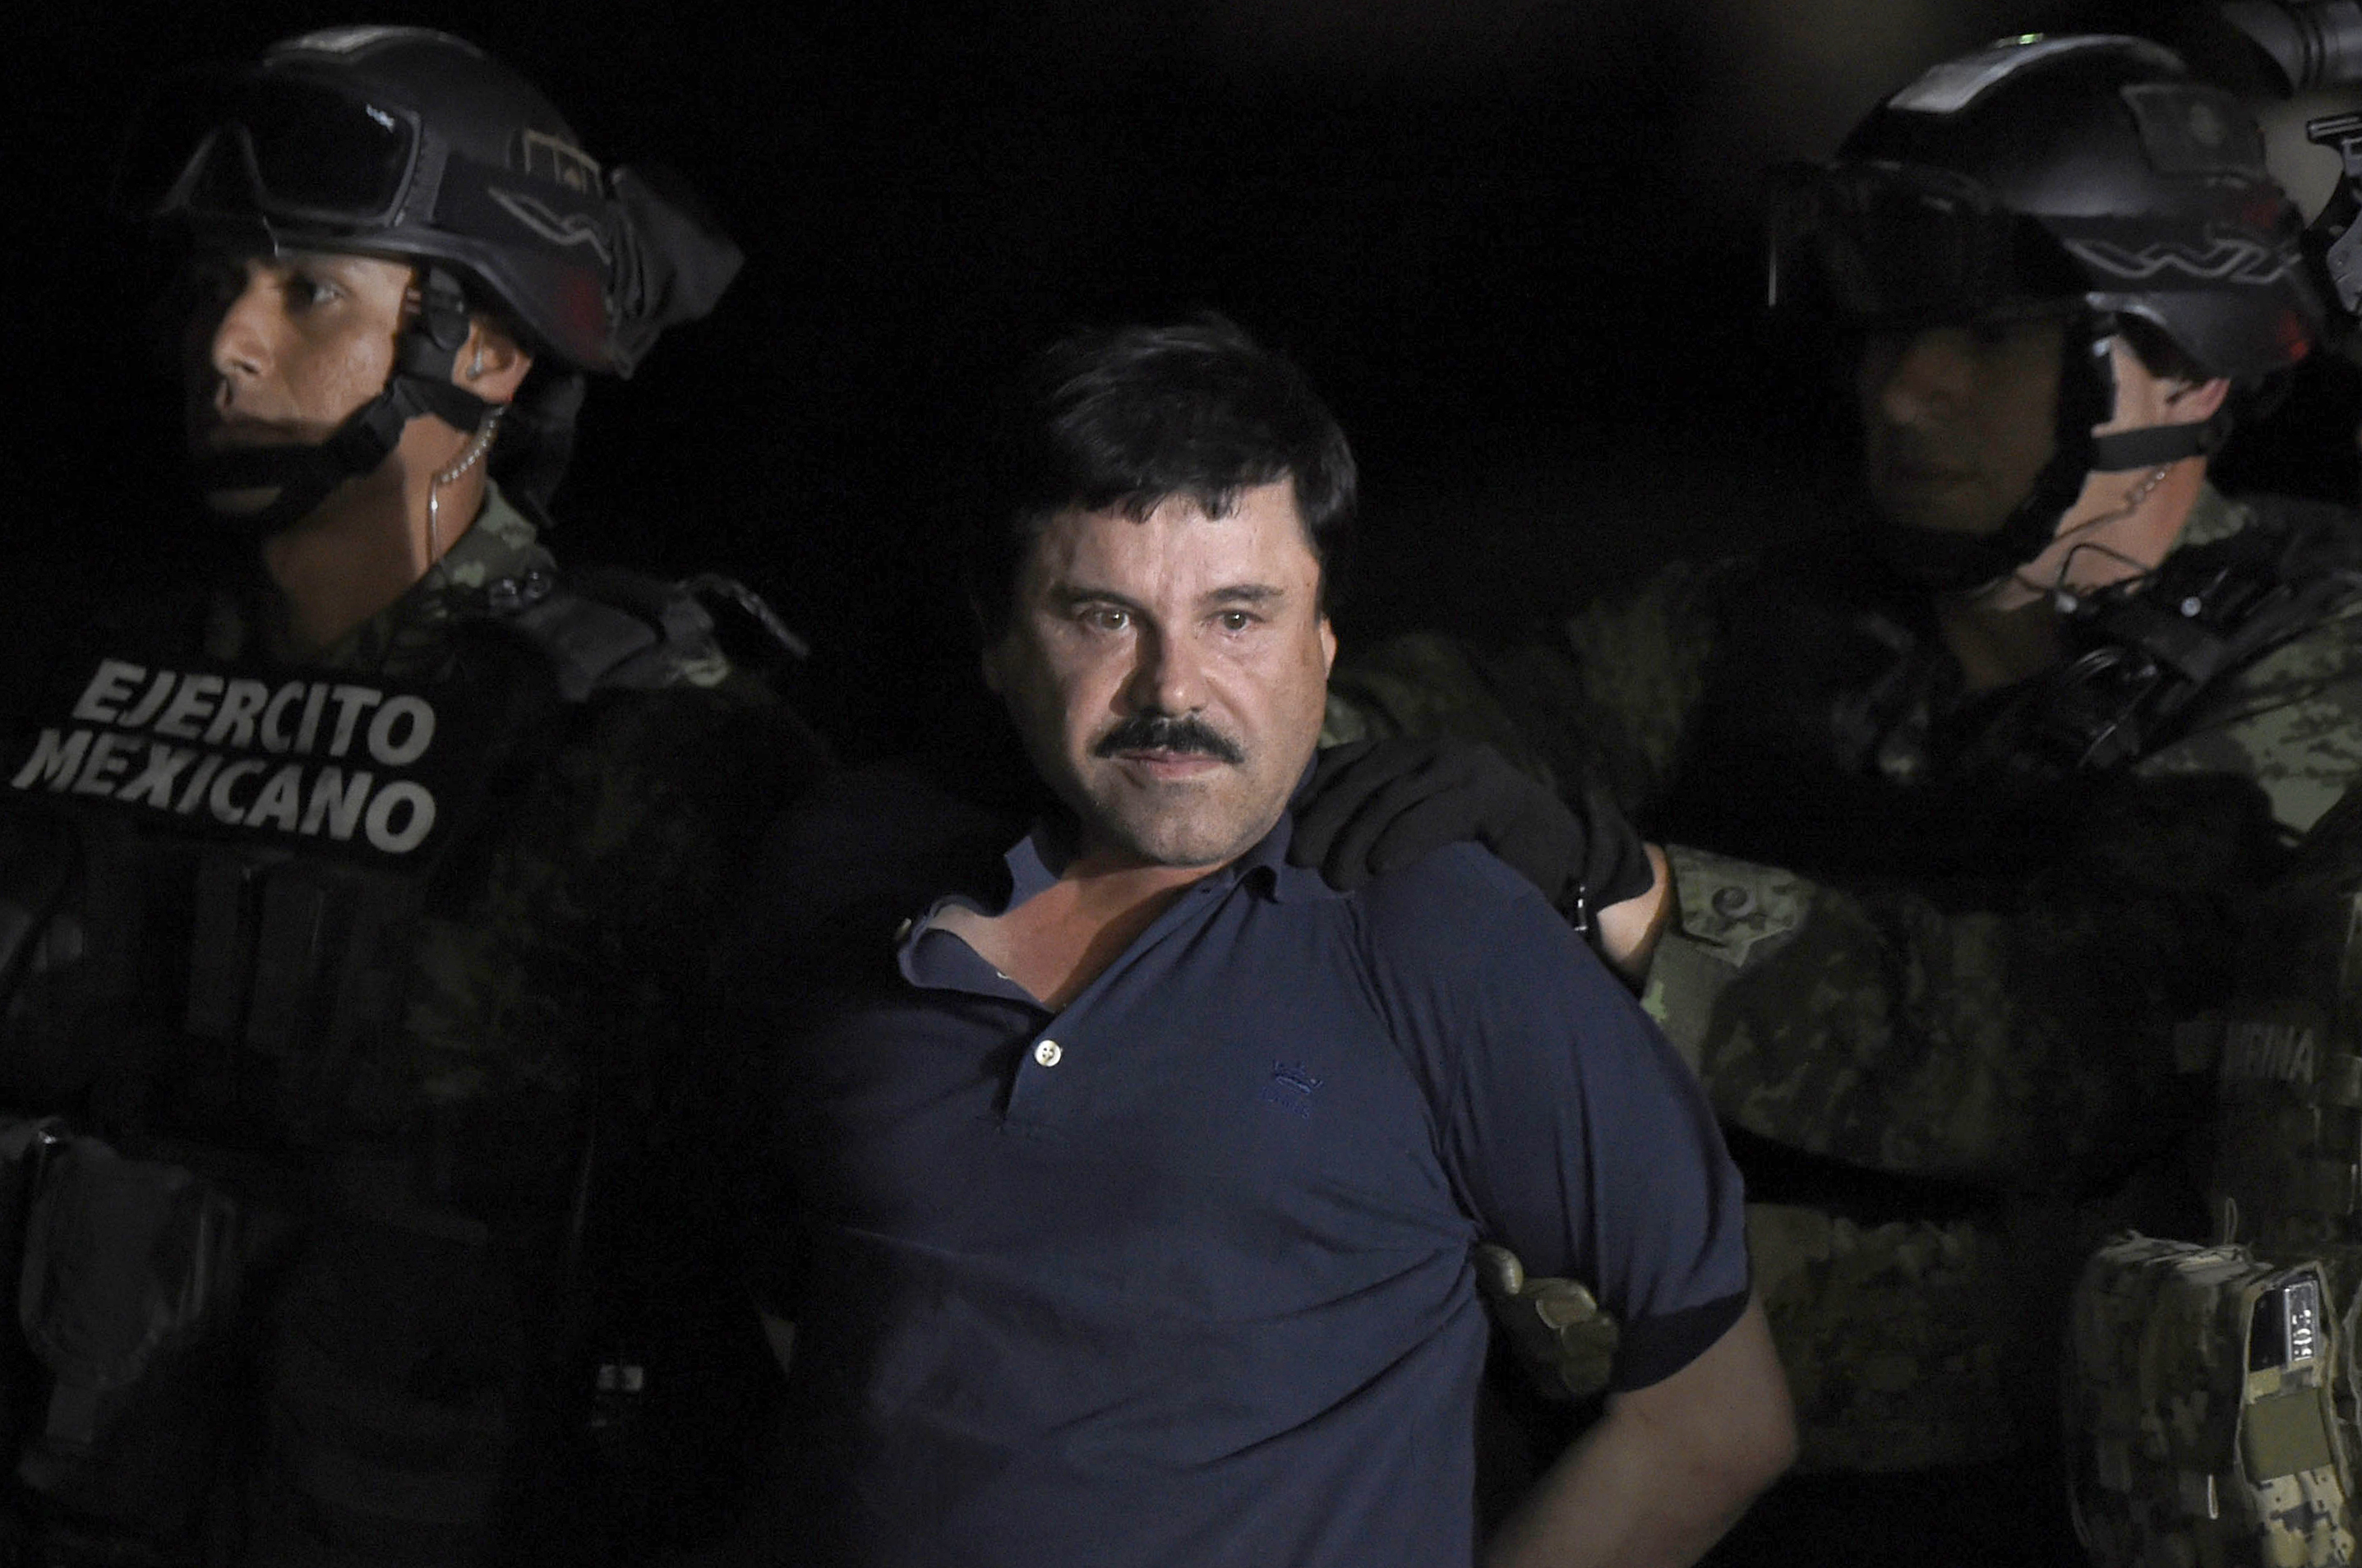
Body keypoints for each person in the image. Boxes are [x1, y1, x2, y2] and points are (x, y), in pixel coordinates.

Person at [1309, 30, 2362, 1556]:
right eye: (1879, 331)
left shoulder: (2317, 658)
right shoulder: (1789, 620)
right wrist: (1239, 726)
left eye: (1989, 338)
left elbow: (2063, 1042)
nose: (1903, 390)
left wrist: (1635, 905)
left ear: (2184, 358)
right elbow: (1482, 717)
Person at [723, 316, 1794, 1566]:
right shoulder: (841, 887)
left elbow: (1712, 1423)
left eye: (1238, 616)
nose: (1172, 688)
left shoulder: (1438, 935)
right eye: (1102, 617)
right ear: (1001, 639)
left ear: (1323, 640)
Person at [0, 25, 821, 1564]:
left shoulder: (643, 745)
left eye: (310, 291)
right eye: (217, 284)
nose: (226, 343)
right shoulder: (71, 675)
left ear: (490, 351)